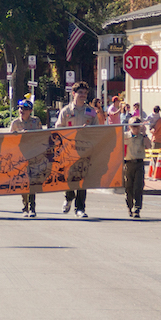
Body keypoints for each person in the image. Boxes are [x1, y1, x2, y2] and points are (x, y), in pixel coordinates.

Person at [56, 81, 98, 218]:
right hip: (69, 151)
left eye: (85, 93)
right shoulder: (66, 111)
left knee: (82, 181)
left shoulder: (91, 112)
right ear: (73, 93)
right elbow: (57, 129)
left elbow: (98, 130)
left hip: (84, 151)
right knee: (68, 179)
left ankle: (80, 208)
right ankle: (68, 197)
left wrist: (89, 130)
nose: (83, 95)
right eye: (80, 93)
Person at [10, 100, 44, 216]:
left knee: (33, 181)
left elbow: (41, 136)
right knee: (23, 182)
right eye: (20, 108)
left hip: (33, 155)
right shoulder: (15, 123)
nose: (21, 111)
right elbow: (10, 140)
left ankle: (33, 207)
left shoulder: (36, 121)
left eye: (24, 109)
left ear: (30, 111)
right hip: (21, 156)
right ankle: (25, 206)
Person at [123, 116, 152, 218]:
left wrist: (144, 134)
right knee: (128, 187)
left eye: (138, 127)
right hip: (128, 163)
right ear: (130, 127)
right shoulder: (125, 136)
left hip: (139, 163)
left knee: (138, 187)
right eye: (133, 127)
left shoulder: (142, 137)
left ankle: (137, 209)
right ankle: (130, 206)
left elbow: (149, 146)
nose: (136, 129)